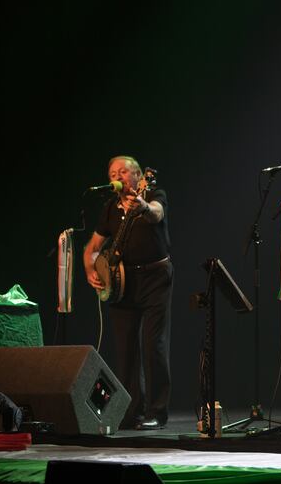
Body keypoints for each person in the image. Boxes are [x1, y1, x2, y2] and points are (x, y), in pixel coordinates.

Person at [83, 155, 173, 430]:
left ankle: (157, 411)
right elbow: (93, 247)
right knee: (125, 349)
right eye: (113, 172)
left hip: (156, 277)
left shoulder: (154, 194)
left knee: (153, 345)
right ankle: (131, 411)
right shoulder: (110, 207)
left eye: (123, 171)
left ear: (136, 177)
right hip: (123, 282)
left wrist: (143, 205)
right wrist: (91, 272)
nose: (117, 176)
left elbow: (157, 212)